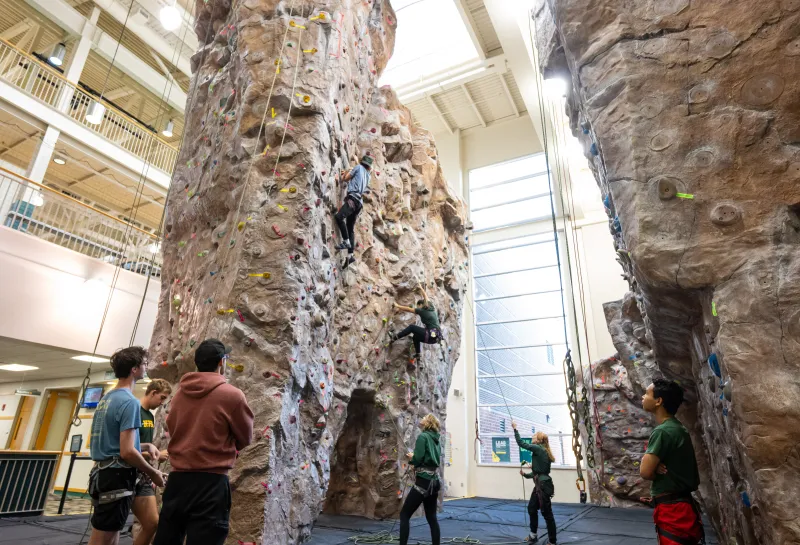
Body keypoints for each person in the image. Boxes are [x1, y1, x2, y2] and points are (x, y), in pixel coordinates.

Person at [153, 339, 254, 545]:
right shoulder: (232, 395)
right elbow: (245, 437)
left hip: (178, 480)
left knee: (167, 539)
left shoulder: (179, 394)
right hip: (211, 482)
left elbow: (172, 427)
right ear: (221, 362)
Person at [88, 347, 165, 545]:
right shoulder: (130, 402)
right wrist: (152, 472)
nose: (146, 368)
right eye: (144, 364)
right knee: (103, 537)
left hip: (105, 472)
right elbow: (127, 451)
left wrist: (145, 445)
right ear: (134, 369)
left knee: (115, 532)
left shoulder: (107, 398)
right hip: (116, 475)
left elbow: (115, 442)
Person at [640, 379, 704, 545]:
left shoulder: (663, 431)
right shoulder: (677, 427)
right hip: (682, 506)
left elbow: (645, 471)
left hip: (673, 511)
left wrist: (653, 469)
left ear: (658, 401)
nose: (643, 397)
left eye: (647, 394)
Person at [129, 379, 172, 545]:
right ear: (153, 392)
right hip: (127, 472)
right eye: (161, 398)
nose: (162, 403)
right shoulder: (135, 411)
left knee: (152, 523)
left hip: (143, 473)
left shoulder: (149, 415)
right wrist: (155, 455)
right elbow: (128, 448)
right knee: (110, 527)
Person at [399, 414, 441, 545]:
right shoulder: (436, 439)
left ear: (427, 422)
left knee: (404, 515)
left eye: (424, 417)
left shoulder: (423, 437)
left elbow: (418, 459)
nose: (421, 419)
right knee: (432, 517)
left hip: (423, 481)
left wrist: (412, 457)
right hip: (434, 482)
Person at [512, 422, 557, 544]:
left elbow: (520, 443)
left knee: (547, 514)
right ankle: (533, 535)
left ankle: (552, 541)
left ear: (538, 440)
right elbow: (539, 473)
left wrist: (515, 429)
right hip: (541, 485)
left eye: (534, 436)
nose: (532, 438)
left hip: (542, 486)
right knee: (532, 508)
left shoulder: (538, 448)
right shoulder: (543, 451)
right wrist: (526, 475)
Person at [334, 154, 373, 268]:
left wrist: (345, 172)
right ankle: (350, 255)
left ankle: (346, 241)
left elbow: (345, 179)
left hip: (353, 199)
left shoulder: (358, 168)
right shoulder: (368, 176)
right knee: (350, 227)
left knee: (339, 217)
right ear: (369, 167)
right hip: (359, 204)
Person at [390, 286, 441, 366]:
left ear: (420, 305)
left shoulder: (422, 310)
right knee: (415, 337)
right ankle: (418, 355)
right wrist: (420, 287)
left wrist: (397, 306)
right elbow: (425, 296)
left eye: (418, 306)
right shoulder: (431, 307)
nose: (417, 308)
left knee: (412, 328)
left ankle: (395, 337)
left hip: (430, 334)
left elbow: (408, 309)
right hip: (434, 338)